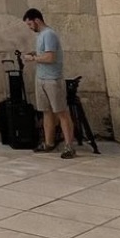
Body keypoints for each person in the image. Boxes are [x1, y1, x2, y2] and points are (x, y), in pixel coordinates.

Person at [22, 8, 76, 159]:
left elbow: (50, 58)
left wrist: (33, 59)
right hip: (41, 78)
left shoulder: (49, 34)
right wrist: (35, 54)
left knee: (61, 112)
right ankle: (49, 142)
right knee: (46, 111)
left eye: (30, 24)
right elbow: (43, 55)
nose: (30, 27)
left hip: (53, 79)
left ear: (37, 20)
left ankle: (69, 145)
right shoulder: (40, 36)